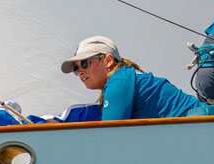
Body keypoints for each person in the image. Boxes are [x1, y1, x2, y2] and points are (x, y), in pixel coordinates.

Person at [60, 36, 198, 121]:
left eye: (85, 63)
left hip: (199, 126)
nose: (81, 72)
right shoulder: (125, 77)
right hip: (199, 126)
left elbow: (112, 137)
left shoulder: (118, 82)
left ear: (108, 60)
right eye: (76, 68)